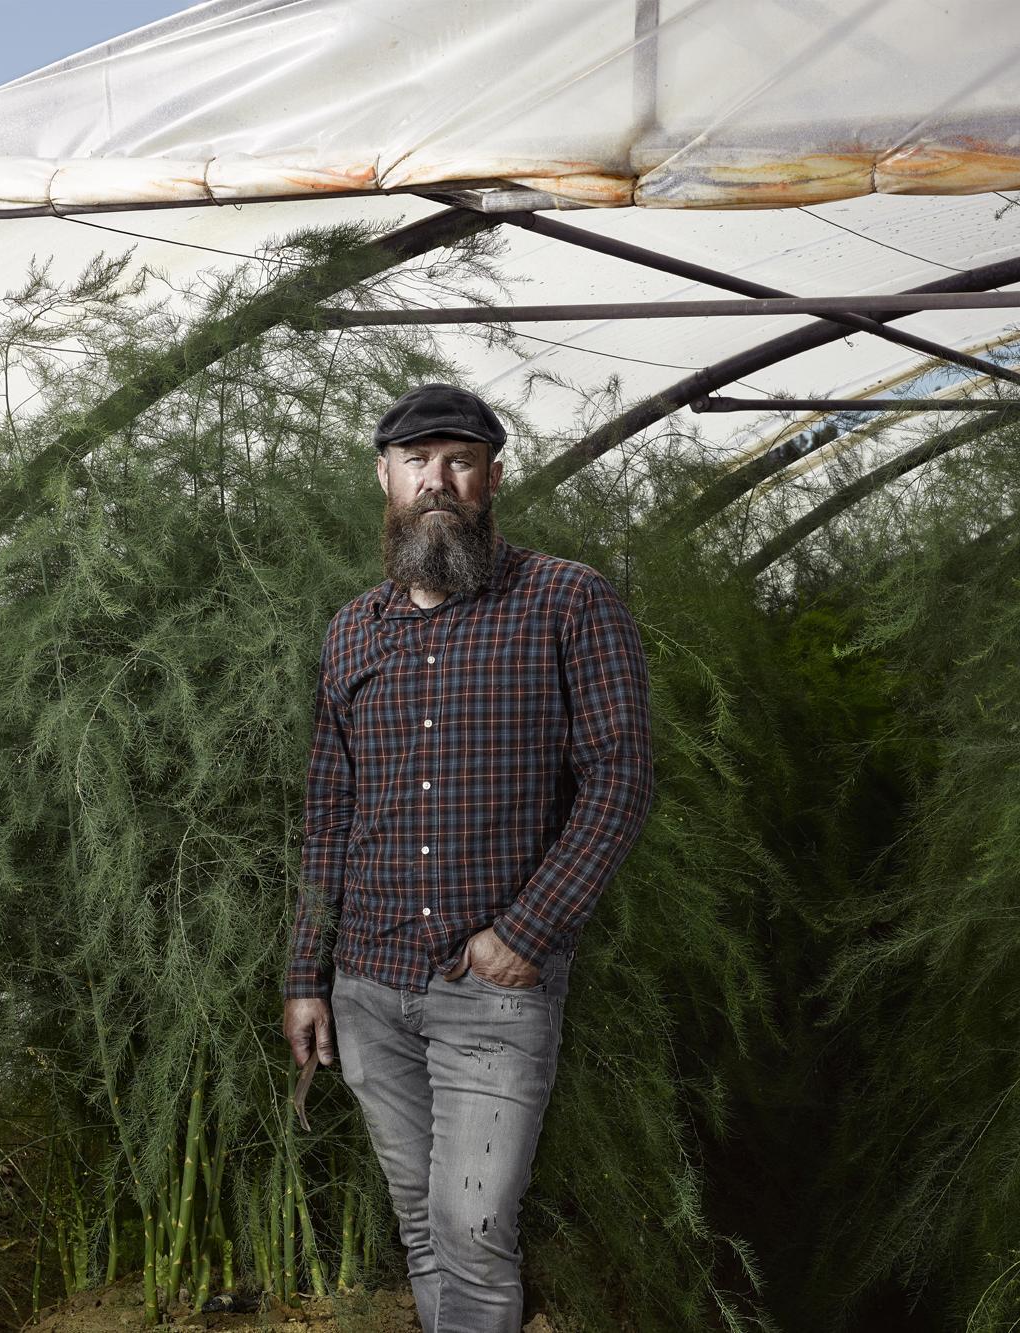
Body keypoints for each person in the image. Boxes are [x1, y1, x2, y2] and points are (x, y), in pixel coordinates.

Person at [280, 382, 656, 1332]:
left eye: (459, 461)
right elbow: (328, 810)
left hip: (491, 986)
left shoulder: (566, 600)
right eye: (417, 461)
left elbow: (619, 780)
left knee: (474, 1226)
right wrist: (306, 976)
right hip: (367, 985)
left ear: (492, 476)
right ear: (385, 477)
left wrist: (524, 933)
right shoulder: (351, 629)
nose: (436, 480)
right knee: (421, 1222)